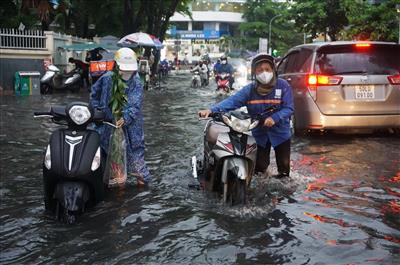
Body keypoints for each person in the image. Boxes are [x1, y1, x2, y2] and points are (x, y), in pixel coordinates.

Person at [198, 53, 294, 179]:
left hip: (281, 133)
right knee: (259, 169)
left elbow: (289, 108)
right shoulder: (249, 90)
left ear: (273, 70)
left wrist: (274, 118)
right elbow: (232, 102)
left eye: (267, 69)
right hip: (260, 134)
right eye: (260, 70)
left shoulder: (283, 86)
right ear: (254, 73)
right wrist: (211, 110)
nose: (264, 73)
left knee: (284, 171)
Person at [89, 47, 151, 186]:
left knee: (140, 171)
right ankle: (118, 194)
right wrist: (96, 111)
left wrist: (126, 117)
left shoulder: (136, 82)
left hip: (132, 129)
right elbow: (94, 95)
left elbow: (135, 105)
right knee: (114, 164)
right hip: (108, 126)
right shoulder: (106, 79)